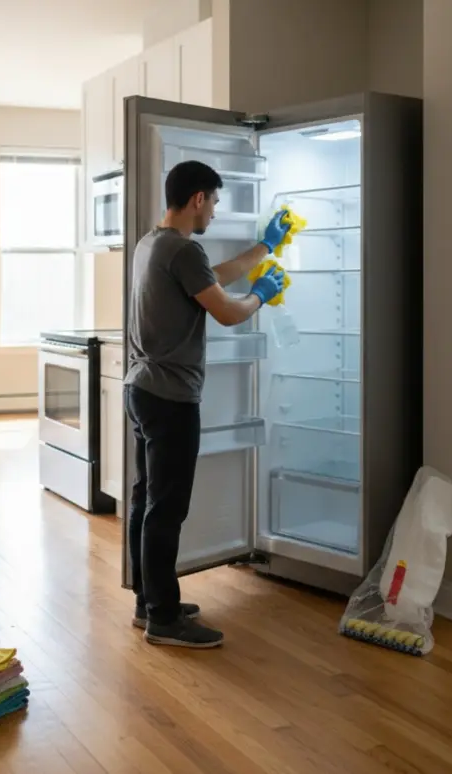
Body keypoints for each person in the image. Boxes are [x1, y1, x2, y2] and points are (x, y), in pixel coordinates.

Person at [123, 159, 290, 649]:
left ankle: (148, 600)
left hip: (142, 389)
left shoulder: (152, 245)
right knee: (166, 509)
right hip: (171, 397)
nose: (214, 211)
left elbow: (209, 278)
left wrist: (265, 249)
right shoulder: (183, 249)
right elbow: (227, 310)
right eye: (214, 201)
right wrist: (260, 294)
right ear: (198, 198)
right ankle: (164, 617)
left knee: (144, 501)